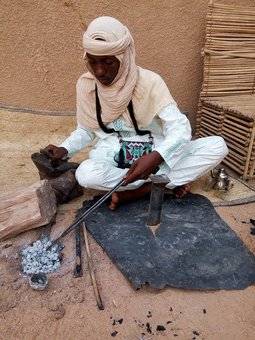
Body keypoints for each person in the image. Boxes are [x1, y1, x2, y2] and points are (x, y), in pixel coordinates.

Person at [42, 16, 228, 210]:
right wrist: (65, 149)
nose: (99, 71)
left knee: (218, 146)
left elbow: (179, 128)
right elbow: (87, 129)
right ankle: (159, 185)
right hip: (113, 155)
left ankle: (140, 191)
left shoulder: (150, 82)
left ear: (124, 58)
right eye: (92, 62)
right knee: (85, 174)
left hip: (156, 151)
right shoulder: (86, 85)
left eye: (108, 62)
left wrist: (157, 156)